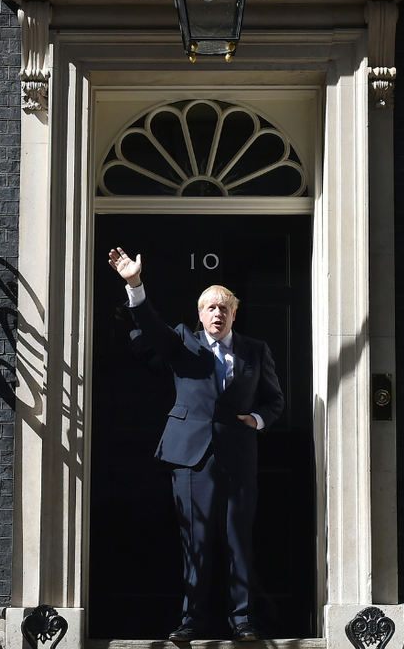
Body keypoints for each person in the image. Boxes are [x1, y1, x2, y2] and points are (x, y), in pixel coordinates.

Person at [107, 247, 284, 642]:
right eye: (209, 308)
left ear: (234, 314)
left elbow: (275, 399)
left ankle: (242, 622)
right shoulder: (183, 342)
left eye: (224, 307)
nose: (217, 314)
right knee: (195, 541)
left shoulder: (256, 350)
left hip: (238, 456)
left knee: (238, 540)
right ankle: (191, 622)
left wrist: (257, 420)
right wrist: (134, 283)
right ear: (200, 315)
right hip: (191, 457)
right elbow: (150, 328)